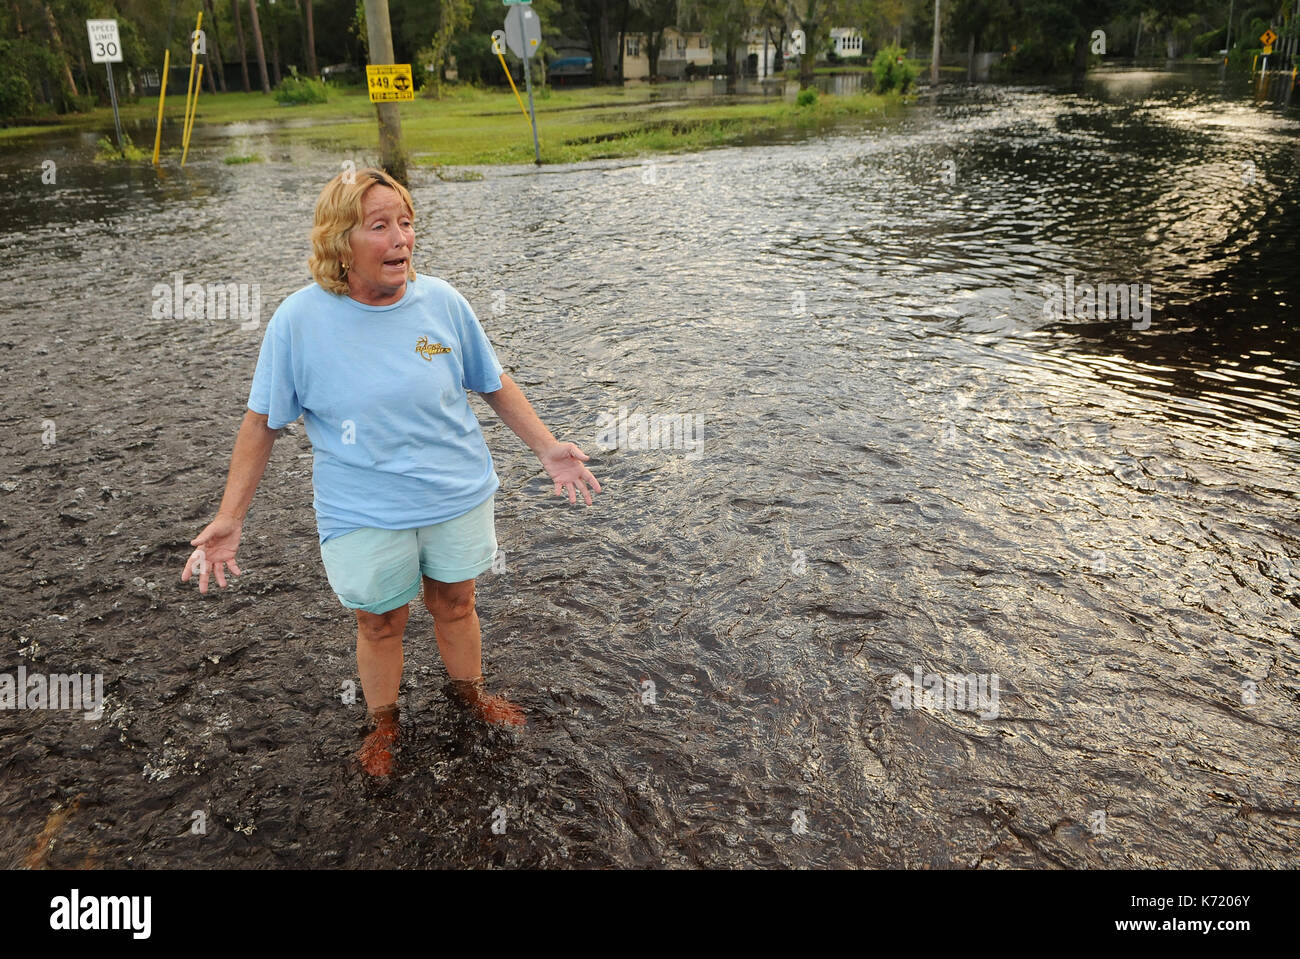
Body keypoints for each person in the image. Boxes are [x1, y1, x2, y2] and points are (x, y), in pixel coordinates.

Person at [180, 167, 601, 776]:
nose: (401, 238)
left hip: (454, 494)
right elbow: (261, 423)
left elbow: (492, 381)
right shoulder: (300, 321)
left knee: (456, 602)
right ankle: (383, 723)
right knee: (380, 622)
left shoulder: (443, 303)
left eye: (406, 222)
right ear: (339, 242)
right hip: (363, 508)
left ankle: (471, 697)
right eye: (380, 226)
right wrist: (229, 518)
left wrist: (547, 447)